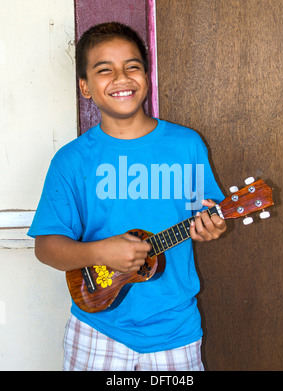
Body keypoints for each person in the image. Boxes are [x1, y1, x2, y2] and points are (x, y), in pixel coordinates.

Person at [28, 22, 226, 371]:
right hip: (97, 328)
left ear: (147, 76)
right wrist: (100, 251)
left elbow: (208, 214)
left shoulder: (186, 145)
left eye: (132, 66)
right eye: (105, 70)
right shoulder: (72, 160)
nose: (121, 78)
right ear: (85, 87)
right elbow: (46, 247)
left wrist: (213, 226)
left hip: (174, 329)